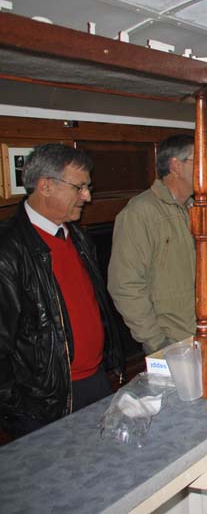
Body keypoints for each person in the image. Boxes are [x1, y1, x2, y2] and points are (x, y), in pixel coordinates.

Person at [0, 144, 123, 438]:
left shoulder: (78, 237)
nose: (88, 197)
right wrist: (19, 412)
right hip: (44, 402)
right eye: (79, 187)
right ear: (45, 186)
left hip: (95, 381)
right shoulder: (8, 250)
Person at [108, 135, 196, 354]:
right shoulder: (140, 212)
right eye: (199, 160)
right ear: (176, 165)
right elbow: (125, 285)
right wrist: (157, 342)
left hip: (198, 333)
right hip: (169, 342)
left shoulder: (196, 209)